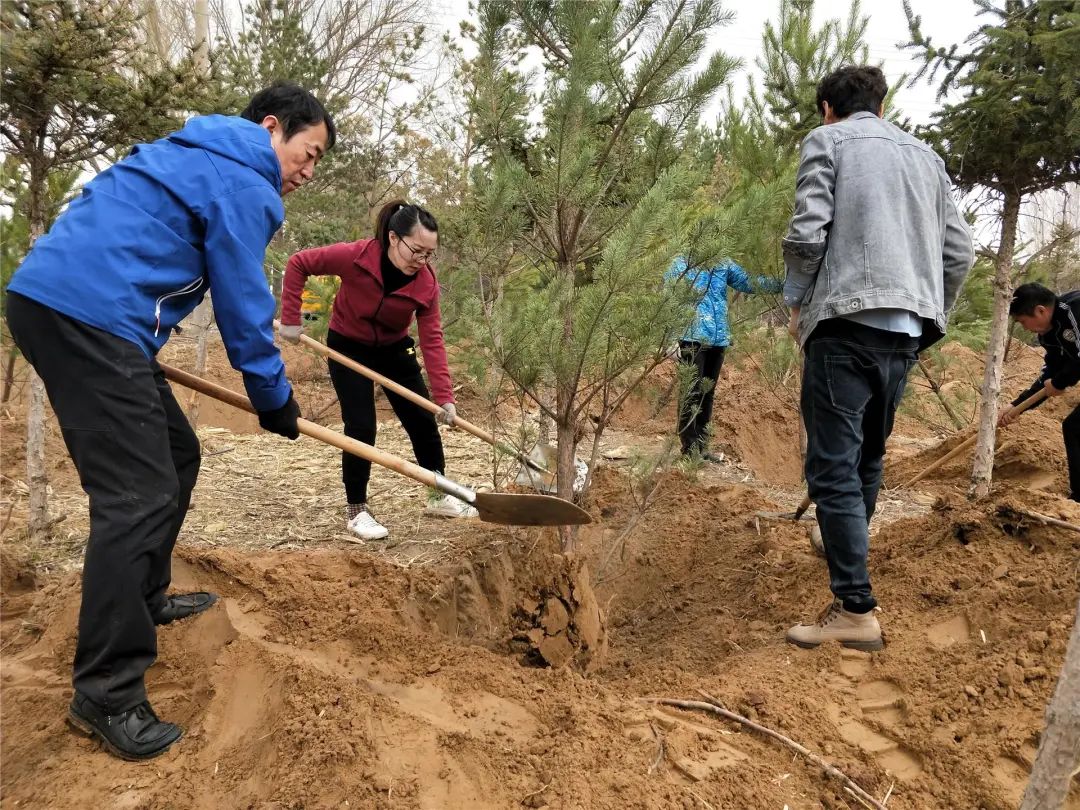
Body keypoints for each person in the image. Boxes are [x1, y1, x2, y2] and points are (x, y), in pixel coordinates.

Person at [5, 82, 335, 760]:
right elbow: (243, 303)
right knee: (138, 496)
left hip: (66, 303)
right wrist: (272, 397)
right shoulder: (246, 182)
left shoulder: (188, 151)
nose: (308, 171)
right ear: (271, 128)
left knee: (178, 454)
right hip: (89, 317)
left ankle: (146, 594)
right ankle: (106, 693)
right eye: (309, 153)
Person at [781, 65, 974, 650]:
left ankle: (856, 609)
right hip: (904, 332)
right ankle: (844, 543)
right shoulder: (927, 158)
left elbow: (808, 233)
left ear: (827, 109)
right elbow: (960, 253)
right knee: (868, 457)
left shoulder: (829, 141)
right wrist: (928, 313)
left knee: (832, 467)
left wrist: (797, 301)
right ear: (882, 106)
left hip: (844, 325)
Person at [279, 200, 477, 541]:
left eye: (429, 254)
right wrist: (291, 319)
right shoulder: (355, 256)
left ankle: (438, 495)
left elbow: (432, 339)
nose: (422, 260)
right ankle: (357, 510)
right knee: (361, 425)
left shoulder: (426, 284)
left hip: (393, 348)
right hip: (348, 345)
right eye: (416, 250)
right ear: (393, 238)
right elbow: (299, 263)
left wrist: (444, 397)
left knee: (422, 420)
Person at [666, 256, 782, 460]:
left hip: (718, 339)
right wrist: (670, 338)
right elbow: (669, 298)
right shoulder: (682, 262)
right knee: (691, 393)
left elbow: (748, 283)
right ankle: (689, 450)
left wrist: (786, 283)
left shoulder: (723, 263)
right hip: (690, 337)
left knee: (707, 392)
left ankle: (701, 447)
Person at [1001, 283, 1080, 501]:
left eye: (1022, 322)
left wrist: (1061, 382)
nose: (1025, 328)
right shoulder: (1048, 334)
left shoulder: (1074, 309)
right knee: (1074, 427)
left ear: (1040, 311)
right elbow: (1050, 373)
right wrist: (1016, 406)